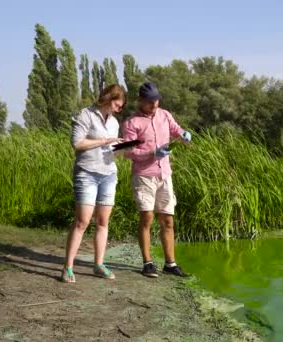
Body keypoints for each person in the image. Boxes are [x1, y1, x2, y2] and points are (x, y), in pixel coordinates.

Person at [122, 82, 192, 278]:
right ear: (140, 101)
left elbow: (177, 130)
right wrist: (153, 153)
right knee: (147, 218)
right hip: (144, 176)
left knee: (167, 220)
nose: (154, 105)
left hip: (165, 175)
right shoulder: (131, 123)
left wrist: (184, 135)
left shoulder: (164, 115)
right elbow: (128, 152)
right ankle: (148, 263)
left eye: (156, 101)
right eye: (150, 102)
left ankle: (170, 264)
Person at [61, 84, 125, 282]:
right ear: (107, 98)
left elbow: (113, 150)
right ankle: (68, 267)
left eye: (121, 107)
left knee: (103, 221)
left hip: (108, 174)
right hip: (87, 173)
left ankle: (98, 264)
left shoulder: (114, 122)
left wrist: (123, 148)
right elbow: (77, 143)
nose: (118, 109)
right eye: (116, 104)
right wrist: (104, 141)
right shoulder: (85, 115)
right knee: (82, 221)